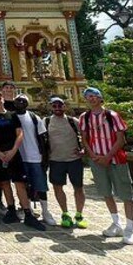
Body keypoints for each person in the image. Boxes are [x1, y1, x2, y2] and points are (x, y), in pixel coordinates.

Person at [79, 87, 133, 244]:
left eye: (94, 96)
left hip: (116, 159)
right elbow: (84, 139)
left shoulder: (112, 116)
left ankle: (130, 229)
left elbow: (121, 139)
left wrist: (107, 156)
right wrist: (93, 156)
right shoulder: (85, 117)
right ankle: (116, 223)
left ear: (100, 98)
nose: (91, 99)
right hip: (97, 160)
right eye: (88, 96)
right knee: (106, 192)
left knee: (126, 194)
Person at [0, 91, 45, 231]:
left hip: (14, 152)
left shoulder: (12, 115)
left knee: (20, 183)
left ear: (3, 99)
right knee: (5, 182)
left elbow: (20, 134)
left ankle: (27, 212)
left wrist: (13, 150)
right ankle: (11, 209)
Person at [12, 93, 56, 225]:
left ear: (27, 103)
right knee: (23, 185)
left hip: (35, 156)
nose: (20, 103)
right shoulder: (11, 117)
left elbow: (42, 138)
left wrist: (44, 156)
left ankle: (45, 211)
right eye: (17, 100)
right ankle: (27, 208)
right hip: (19, 157)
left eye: (22, 101)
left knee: (41, 185)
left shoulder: (34, 117)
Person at [46, 97, 87, 228]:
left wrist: (84, 150)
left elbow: (86, 136)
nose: (57, 108)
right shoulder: (46, 121)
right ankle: (65, 213)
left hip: (73, 160)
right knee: (58, 187)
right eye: (54, 106)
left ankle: (79, 214)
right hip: (56, 160)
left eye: (60, 105)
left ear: (65, 106)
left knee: (78, 188)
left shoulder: (73, 121)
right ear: (51, 107)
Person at [0, 80, 18, 214]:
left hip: (15, 145)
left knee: (19, 178)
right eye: (6, 88)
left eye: (11, 87)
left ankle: (21, 202)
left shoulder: (18, 105)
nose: (8, 90)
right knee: (0, 177)